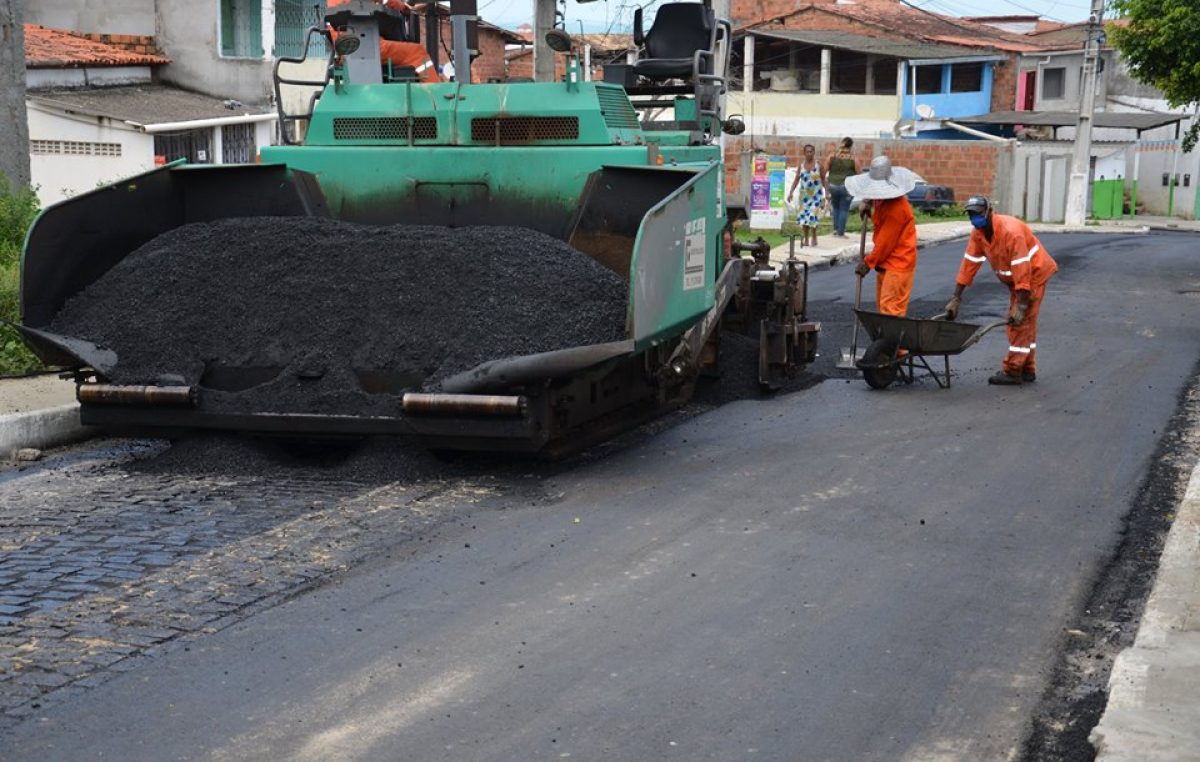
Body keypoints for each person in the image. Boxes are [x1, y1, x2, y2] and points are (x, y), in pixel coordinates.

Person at [944, 196, 1058, 386]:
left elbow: (1022, 269)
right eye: (971, 215)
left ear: (989, 211)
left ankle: (1013, 371)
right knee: (1026, 324)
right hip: (1017, 282)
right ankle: (1027, 369)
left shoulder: (1011, 232)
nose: (974, 219)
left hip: (1033, 275)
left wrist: (1021, 305)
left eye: (977, 214)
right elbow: (969, 264)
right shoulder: (978, 233)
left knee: (1018, 323)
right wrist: (956, 298)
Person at [845, 155, 919, 317]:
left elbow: (885, 243)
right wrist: (868, 203)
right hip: (887, 262)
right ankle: (886, 334)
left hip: (898, 263)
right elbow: (881, 223)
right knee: (883, 308)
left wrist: (868, 263)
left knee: (890, 311)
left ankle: (893, 335)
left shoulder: (896, 209)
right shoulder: (885, 201)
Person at [327, 0, 441, 84]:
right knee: (417, 52)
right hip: (366, 43)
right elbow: (391, 3)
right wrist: (404, 7)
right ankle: (436, 95)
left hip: (347, 47)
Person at [786, 144, 826, 247]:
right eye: (807, 152)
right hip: (804, 197)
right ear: (804, 153)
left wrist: (827, 194)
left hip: (816, 196)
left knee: (813, 216)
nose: (809, 153)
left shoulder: (818, 165)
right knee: (804, 218)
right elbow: (796, 180)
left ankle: (814, 236)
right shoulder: (801, 166)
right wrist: (790, 192)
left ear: (814, 152)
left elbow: (824, 179)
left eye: (811, 151)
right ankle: (806, 238)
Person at [824, 137, 859, 238]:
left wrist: (826, 186)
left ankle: (835, 230)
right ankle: (840, 233)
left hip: (832, 186)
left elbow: (824, 171)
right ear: (851, 146)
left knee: (835, 208)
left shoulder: (832, 156)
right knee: (844, 209)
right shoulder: (853, 158)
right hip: (846, 187)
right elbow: (859, 173)